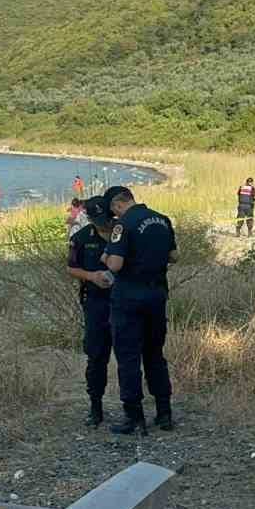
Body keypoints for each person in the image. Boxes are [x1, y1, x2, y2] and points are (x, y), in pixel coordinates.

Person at [100, 185, 176, 435]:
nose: (115, 216)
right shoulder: (162, 219)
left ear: (117, 205)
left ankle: (134, 417)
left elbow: (116, 264)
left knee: (129, 357)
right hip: (157, 295)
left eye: (114, 211)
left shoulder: (124, 224)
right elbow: (174, 255)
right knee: (155, 354)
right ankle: (164, 414)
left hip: (130, 299)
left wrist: (106, 257)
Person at [67, 197, 116, 427]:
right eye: (97, 220)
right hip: (96, 303)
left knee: (129, 355)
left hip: (124, 302)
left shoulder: (123, 232)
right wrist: (92, 276)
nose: (102, 224)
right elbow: (72, 267)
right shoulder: (81, 238)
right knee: (96, 357)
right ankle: (95, 407)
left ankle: (133, 409)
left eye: (105, 218)